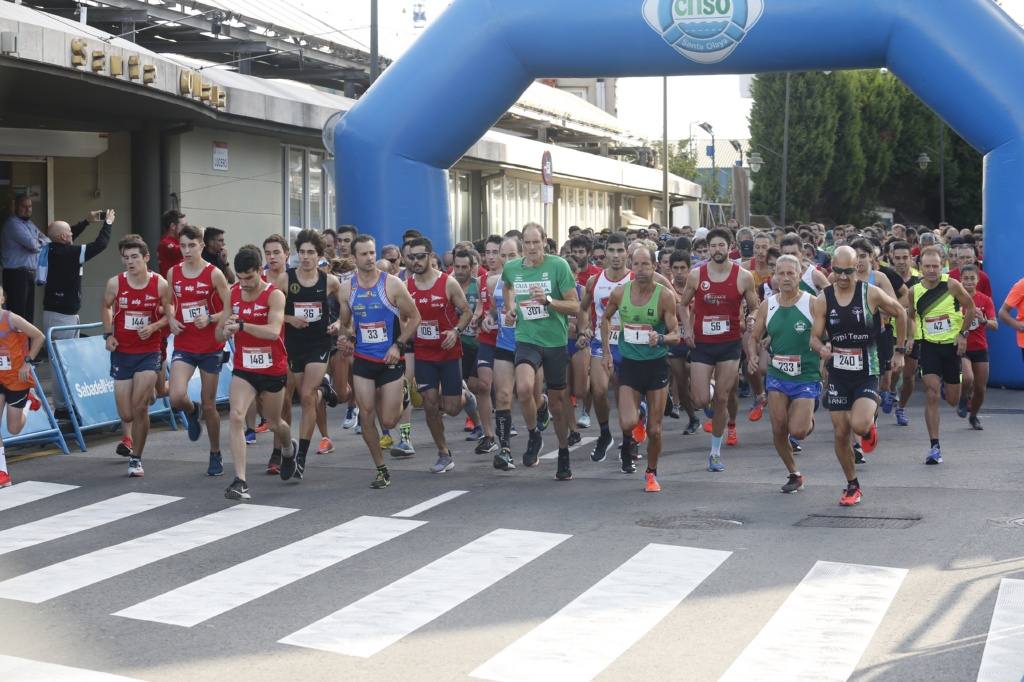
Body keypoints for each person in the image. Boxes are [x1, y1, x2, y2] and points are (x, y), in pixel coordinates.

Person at [811, 246, 906, 506]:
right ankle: (852, 484)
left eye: (848, 271)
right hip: (838, 372)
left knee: (859, 426)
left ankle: (869, 425)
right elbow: (814, 337)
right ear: (832, 268)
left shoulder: (871, 293)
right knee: (841, 433)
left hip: (867, 368)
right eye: (838, 271)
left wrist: (899, 350)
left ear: (858, 268)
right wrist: (822, 348)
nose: (843, 277)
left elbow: (901, 312)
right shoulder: (824, 298)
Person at [337, 235, 420, 489]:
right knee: (366, 415)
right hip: (363, 360)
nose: (370, 258)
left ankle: (403, 393)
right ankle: (381, 468)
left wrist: (399, 345)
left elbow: (415, 317)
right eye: (364, 254)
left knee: (388, 421)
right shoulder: (347, 289)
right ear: (354, 258)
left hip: (390, 359)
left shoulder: (392, 285)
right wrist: (346, 338)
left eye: (372, 253)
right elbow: (346, 324)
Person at [677, 228, 760, 473]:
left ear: (729, 247)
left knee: (723, 399)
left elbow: (755, 307)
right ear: (708, 248)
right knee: (701, 399)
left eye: (721, 245)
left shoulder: (743, 276)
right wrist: (688, 330)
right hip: (702, 343)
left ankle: (715, 452)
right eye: (712, 246)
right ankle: (710, 389)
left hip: (730, 344)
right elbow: (682, 305)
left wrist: (753, 319)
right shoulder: (696, 275)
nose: (717, 250)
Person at [502, 223, 580, 480]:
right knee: (523, 389)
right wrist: (511, 309)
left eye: (536, 242)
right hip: (527, 338)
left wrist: (548, 301)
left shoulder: (558, 266)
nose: (532, 248)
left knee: (557, 405)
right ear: (522, 244)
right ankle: (534, 433)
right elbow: (508, 286)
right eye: (527, 243)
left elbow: (574, 306)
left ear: (545, 242)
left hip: (555, 342)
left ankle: (563, 451)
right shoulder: (513, 268)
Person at [600, 245, 680, 492]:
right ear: (630, 266)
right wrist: (605, 352)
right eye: (637, 264)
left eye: (646, 264)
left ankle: (651, 473)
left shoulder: (664, 296)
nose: (642, 269)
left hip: (656, 366)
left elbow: (676, 334)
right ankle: (639, 416)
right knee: (627, 423)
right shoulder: (619, 293)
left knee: (655, 431)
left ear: (654, 267)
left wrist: (661, 338)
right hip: (630, 366)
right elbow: (604, 318)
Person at [217, 246, 294, 500]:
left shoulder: (275, 295)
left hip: (272, 368)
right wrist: (226, 330)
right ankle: (240, 480)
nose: (245, 283)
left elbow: (273, 331)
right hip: (245, 368)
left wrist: (241, 325)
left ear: (260, 271)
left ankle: (287, 448)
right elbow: (219, 333)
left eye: (249, 277)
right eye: (240, 278)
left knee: (275, 423)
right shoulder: (233, 293)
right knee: (237, 416)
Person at [101, 235, 174, 478]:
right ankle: (152, 391)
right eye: (125, 258)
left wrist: (153, 327)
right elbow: (106, 306)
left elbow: (170, 315)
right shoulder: (115, 283)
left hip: (149, 351)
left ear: (146, 258)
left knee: (139, 407)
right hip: (122, 352)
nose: (129, 262)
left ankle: (136, 458)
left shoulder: (160, 284)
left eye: (134, 257)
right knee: (126, 414)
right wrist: (108, 334)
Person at [748, 255, 821, 494]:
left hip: (806, 376)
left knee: (798, 430)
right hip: (778, 375)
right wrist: (752, 355)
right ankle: (794, 473)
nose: (786, 278)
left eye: (791, 273)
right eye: (782, 273)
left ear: (800, 275)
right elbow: (754, 336)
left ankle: (808, 417)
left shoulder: (812, 303)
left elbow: (824, 336)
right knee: (779, 429)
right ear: (775, 277)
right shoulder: (767, 304)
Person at [272, 229, 341, 482]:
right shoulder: (284, 279)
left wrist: (339, 325)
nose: (306, 257)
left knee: (306, 397)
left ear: (319, 255)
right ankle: (324, 388)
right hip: (293, 344)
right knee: (299, 394)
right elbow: (274, 312)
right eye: (302, 252)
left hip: (319, 342)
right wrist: (290, 318)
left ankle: (300, 457)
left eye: (311, 252)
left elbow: (346, 307)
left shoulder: (330, 281)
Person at [406, 237, 475, 473]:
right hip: (424, 353)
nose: (416, 261)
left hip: (448, 352)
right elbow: (403, 318)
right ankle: (443, 452)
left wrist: (455, 332)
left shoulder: (447, 283)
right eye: (411, 257)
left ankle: (467, 398)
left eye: (420, 256)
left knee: (452, 408)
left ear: (430, 256)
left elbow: (466, 312)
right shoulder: (406, 287)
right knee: (430, 404)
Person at [167, 225, 231, 476]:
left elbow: (230, 308)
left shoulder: (214, 274)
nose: (186, 250)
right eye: (182, 246)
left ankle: (215, 453)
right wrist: (171, 319)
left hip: (210, 346)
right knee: (176, 396)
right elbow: (169, 304)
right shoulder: (173, 273)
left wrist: (212, 318)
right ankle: (190, 411)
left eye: (191, 245)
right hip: (184, 343)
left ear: (201, 246)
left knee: (209, 405)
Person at [41, 210, 115, 411]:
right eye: (70, 235)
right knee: (61, 362)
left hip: (60, 313)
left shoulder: (51, 248)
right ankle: (63, 408)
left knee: (67, 360)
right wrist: (107, 223)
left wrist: (86, 221)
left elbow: (64, 233)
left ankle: (68, 404)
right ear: (64, 237)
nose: (72, 236)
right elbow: (100, 245)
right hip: (61, 316)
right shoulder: (69, 253)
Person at [909, 246, 975, 465]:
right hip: (929, 346)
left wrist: (963, 335)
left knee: (952, 398)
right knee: (931, 393)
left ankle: (959, 389)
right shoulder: (914, 291)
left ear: (942, 265)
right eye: (927, 266)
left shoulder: (952, 285)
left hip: (951, 347)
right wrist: (911, 337)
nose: (931, 270)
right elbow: (910, 316)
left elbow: (971, 307)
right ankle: (934, 446)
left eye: (935, 266)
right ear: (920, 267)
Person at [576, 233, 632, 463]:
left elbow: (667, 298)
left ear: (627, 253)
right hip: (602, 341)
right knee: (598, 390)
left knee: (625, 396)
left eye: (620, 251)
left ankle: (628, 441)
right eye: (612, 251)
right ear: (605, 253)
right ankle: (605, 433)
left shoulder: (637, 278)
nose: (616, 256)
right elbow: (582, 309)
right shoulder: (595, 281)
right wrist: (583, 329)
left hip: (630, 344)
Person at [0, 286, 45, 488]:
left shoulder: (11, 318)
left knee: (14, 428)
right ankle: (2, 473)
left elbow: (39, 336)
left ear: (2, 298)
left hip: (17, 377)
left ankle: (28, 402)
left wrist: (28, 362)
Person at [667, 250, 701, 434]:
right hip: (675, 342)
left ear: (689, 269)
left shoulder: (697, 288)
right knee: (680, 381)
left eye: (683, 268)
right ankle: (693, 418)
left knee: (697, 379)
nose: (679, 272)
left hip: (696, 341)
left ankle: (709, 405)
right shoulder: (666, 289)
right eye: (675, 268)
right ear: (670, 270)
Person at [958, 264, 996, 430]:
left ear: (978, 280)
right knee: (968, 378)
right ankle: (963, 398)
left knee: (981, 389)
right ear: (960, 280)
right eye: (965, 278)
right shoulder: (954, 298)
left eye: (972, 278)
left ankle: (973, 416)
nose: (968, 282)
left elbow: (995, 325)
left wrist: (984, 320)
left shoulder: (984, 300)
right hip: (962, 347)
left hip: (980, 347)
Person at [1, 194, 47, 322]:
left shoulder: (30, 224)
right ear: (16, 206)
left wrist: (38, 242)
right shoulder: (12, 224)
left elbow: (45, 239)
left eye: (30, 206)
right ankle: (16, 342)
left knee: (28, 317)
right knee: (18, 316)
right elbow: (33, 245)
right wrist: (38, 242)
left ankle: (26, 342)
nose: (28, 209)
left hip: (28, 274)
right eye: (24, 206)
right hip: (16, 275)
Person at [157, 209, 186, 278]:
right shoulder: (165, 243)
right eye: (183, 226)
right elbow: (183, 251)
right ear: (173, 226)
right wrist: (196, 238)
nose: (186, 229)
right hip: (171, 286)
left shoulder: (179, 240)